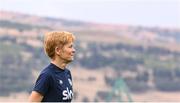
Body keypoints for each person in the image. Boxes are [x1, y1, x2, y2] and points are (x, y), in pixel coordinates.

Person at [29, 31, 75, 102]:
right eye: (70, 47)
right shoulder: (47, 75)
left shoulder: (67, 73)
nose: (73, 50)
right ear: (58, 50)